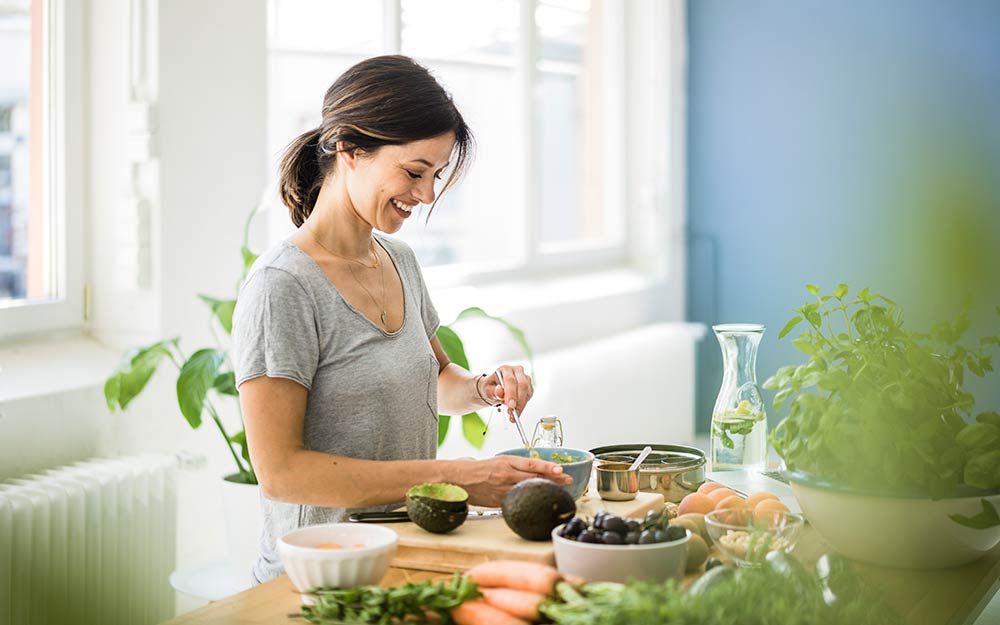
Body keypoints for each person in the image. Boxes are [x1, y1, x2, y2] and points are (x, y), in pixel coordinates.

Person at [232, 55, 571, 584]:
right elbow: (282, 473)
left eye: (436, 176)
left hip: (404, 555)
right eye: (415, 172)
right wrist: (460, 477)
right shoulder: (283, 286)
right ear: (348, 147)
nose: (427, 194)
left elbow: (435, 381)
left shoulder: (400, 261)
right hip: (319, 577)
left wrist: (484, 388)